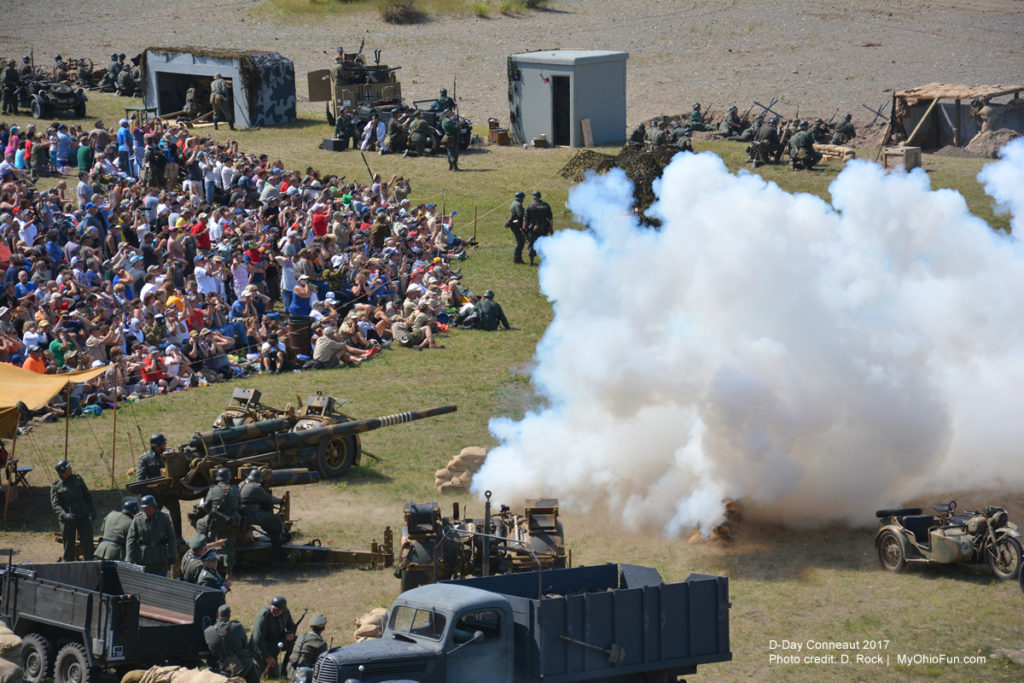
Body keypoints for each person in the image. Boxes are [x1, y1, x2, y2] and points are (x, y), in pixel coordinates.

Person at [136, 432, 182, 538]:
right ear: (156, 446)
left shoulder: (169, 454)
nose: (165, 445)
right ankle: (152, 538)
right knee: (153, 518)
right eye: (163, 444)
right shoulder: (145, 459)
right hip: (155, 496)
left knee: (176, 514)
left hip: (170, 492)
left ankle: (178, 537)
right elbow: (140, 480)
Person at [51, 459, 97, 561]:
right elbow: (56, 505)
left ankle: (89, 564)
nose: (70, 468)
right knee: (69, 546)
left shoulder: (78, 479)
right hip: (68, 520)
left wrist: (92, 509)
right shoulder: (56, 486)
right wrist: (64, 515)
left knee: (88, 542)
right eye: (68, 468)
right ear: (63, 471)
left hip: (83, 515)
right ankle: (68, 566)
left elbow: (87, 496)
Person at [199, 467, 240, 576]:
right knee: (229, 545)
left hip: (216, 521)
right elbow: (239, 504)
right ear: (229, 479)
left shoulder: (213, 489)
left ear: (218, 479)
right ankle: (229, 572)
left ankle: (202, 544)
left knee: (200, 523)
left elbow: (206, 507)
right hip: (232, 522)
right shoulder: (235, 489)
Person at [205, 604, 260, 683]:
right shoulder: (237, 627)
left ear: (217, 615)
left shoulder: (208, 631)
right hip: (240, 664)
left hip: (219, 667)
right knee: (253, 673)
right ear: (229, 615)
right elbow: (244, 644)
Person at [249, 595, 297, 679]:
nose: (274, 611)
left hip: (277, 641)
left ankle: (286, 668)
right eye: (273, 608)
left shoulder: (286, 612)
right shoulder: (263, 617)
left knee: (296, 642)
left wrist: (291, 635)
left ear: (282, 610)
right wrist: (267, 656)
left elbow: (291, 625)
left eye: (277, 610)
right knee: (272, 675)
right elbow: (258, 639)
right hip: (261, 647)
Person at [126, 494, 175, 575]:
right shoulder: (138, 519)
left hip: (160, 558)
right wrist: (129, 559)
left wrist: (172, 556)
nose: (146, 510)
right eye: (144, 508)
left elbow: (171, 538)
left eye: (148, 508)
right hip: (142, 559)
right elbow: (131, 539)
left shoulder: (164, 518)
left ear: (153, 507)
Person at [239, 468, 285, 547]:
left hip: (240, 513)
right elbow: (268, 498)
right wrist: (280, 501)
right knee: (275, 519)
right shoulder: (255, 487)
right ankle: (277, 541)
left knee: (265, 518)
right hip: (251, 515)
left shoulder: (241, 484)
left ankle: (272, 536)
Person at [286, 614, 328, 680]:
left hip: (290, 670)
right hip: (303, 674)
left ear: (310, 626)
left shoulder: (301, 636)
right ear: (323, 628)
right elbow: (320, 664)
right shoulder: (321, 644)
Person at [524, 190, 553, 266]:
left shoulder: (529, 206)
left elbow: (525, 219)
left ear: (533, 197)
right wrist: (551, 229)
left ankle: (531, 262)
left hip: (532, 229)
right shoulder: (546, 205)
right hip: (544, 228)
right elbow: (550, 219)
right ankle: (544, 262)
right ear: (540, 197)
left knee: (531, 245)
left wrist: (524, 229)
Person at [505, 191, 526, 264]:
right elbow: (521, 215)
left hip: (514, 224)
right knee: (520, 241)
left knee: (520, 241)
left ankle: (518, 258)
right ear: (521, 198)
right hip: (516, 225)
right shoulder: (518, 204)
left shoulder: (514, 203)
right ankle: (517, 258)